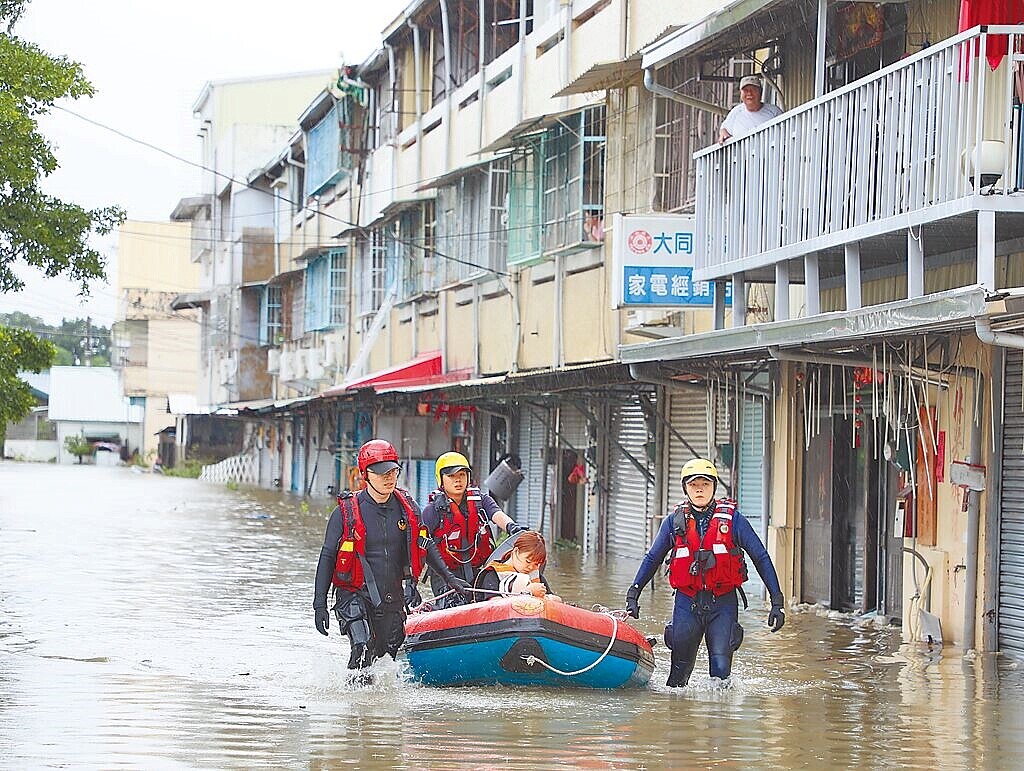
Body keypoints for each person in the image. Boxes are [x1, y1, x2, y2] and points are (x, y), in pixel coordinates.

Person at [624, 458, 785, 688]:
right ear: (685, 488)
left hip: (723, 604)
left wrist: (776, 601)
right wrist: (633, 594)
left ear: (714, 487)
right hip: (687, 602)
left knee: (720, 675)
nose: (699, 489)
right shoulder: (673, 523)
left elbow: (760, 556)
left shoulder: (734, 521)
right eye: (693, 485)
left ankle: (718, 719)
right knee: (677, 679)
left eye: (705, 484)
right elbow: (653, 558)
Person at [312, 439, 470, 672]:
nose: (388, 477)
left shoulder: (408, 509)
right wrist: (319, 604)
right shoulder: (345, 513)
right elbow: (327, 557)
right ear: (365, 474)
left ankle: (375, 705)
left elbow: (425, 545)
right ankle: (354, 703)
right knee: (362, 645)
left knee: (385, 658)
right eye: (381, 472)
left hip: (391, 595)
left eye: (393, 471)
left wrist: (450, 579)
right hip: (354, 592)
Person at [419, 451, 526, 608]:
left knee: (494, 600)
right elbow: (419, 545)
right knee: (454, 604)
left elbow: (497, 515)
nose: (458, 480)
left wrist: (512, 527)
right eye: (451, 476)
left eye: (462, 475)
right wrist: (410, 585)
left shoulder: (481, 500)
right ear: (441, 479)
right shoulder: (432, 511)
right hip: (445, 574)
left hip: (479, 570)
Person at [475, 530, 560, 602]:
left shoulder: (535, 576)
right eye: (528, 561)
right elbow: (494, 603)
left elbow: (558, 600)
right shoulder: (492, 574)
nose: (531, 567)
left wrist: (546, 597)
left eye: (536, 564)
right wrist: (528, 592)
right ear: (516, 552)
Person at [718, 75, 783, 145]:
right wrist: (723, 134)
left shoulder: (774, 111)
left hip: (770, 154)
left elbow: (785, 131)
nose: (749, 93)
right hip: (743, 155)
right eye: (745, 90)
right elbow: (724, 129)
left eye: (753, 90)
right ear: (741, 94)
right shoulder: (736, 112)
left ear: (760, 92)